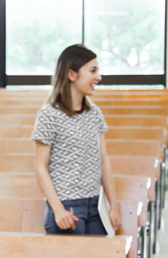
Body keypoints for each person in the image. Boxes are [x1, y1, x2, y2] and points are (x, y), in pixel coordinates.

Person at [32, 44, 122, 235]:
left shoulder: (94, 113)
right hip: (67, 207)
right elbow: (40, 167)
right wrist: (57, 210)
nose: (98, 77)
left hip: (95, 206)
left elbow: (104, 162)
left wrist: (113, 206)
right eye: (93, 71)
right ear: (72, 75)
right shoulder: (49, 114)